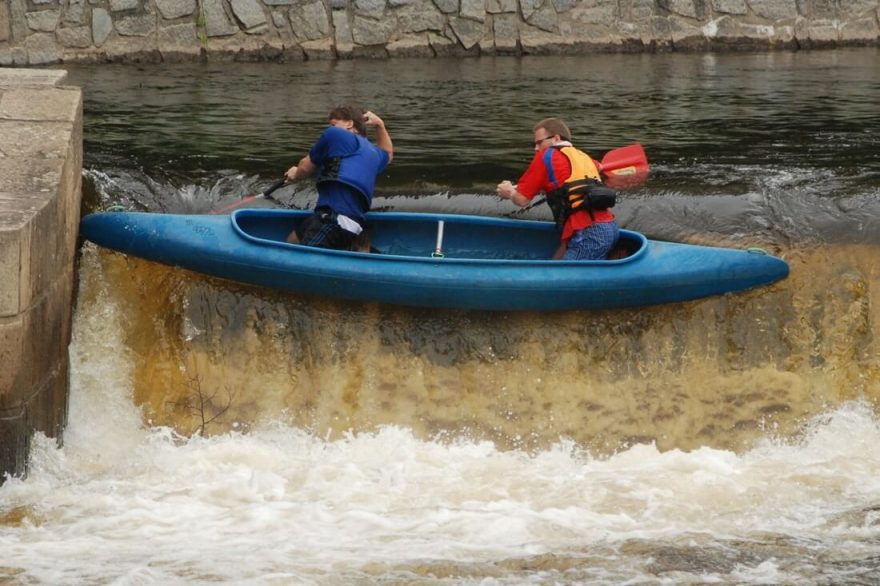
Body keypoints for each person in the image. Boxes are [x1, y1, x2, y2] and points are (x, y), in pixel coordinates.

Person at [496, 118, 619, 260]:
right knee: (555, 263)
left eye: (539, 142)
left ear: (556, 138)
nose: (536, 148)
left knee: (563, 280)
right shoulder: (584, 156)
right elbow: (594, 170)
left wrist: (509, 192)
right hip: (609, 227)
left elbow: (522, 200)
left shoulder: (545, 157)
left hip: (588, 233)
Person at [285, 105, 393, 250]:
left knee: (304, 257)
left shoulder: (335, 134)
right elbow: (388, 153)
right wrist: (380, 125)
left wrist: (295, 173)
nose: (331, 127)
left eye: (334, 124)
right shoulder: (374, 153)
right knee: (293, 239)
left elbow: (305, 167)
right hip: (351, 225)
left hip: (333, 220)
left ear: (349, 124)